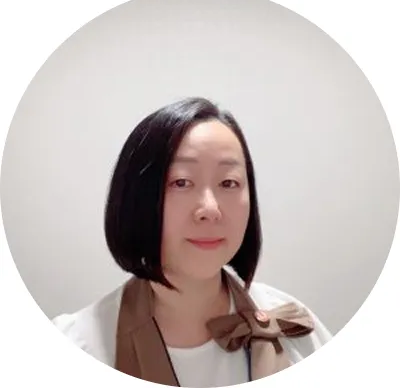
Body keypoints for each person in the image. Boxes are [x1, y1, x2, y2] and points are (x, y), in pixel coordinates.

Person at [53, 97, 332, 387]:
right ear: (136, 199)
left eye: (229, 183)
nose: (210, 209)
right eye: (181, 182)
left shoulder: (294, 327)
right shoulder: (78, 346)